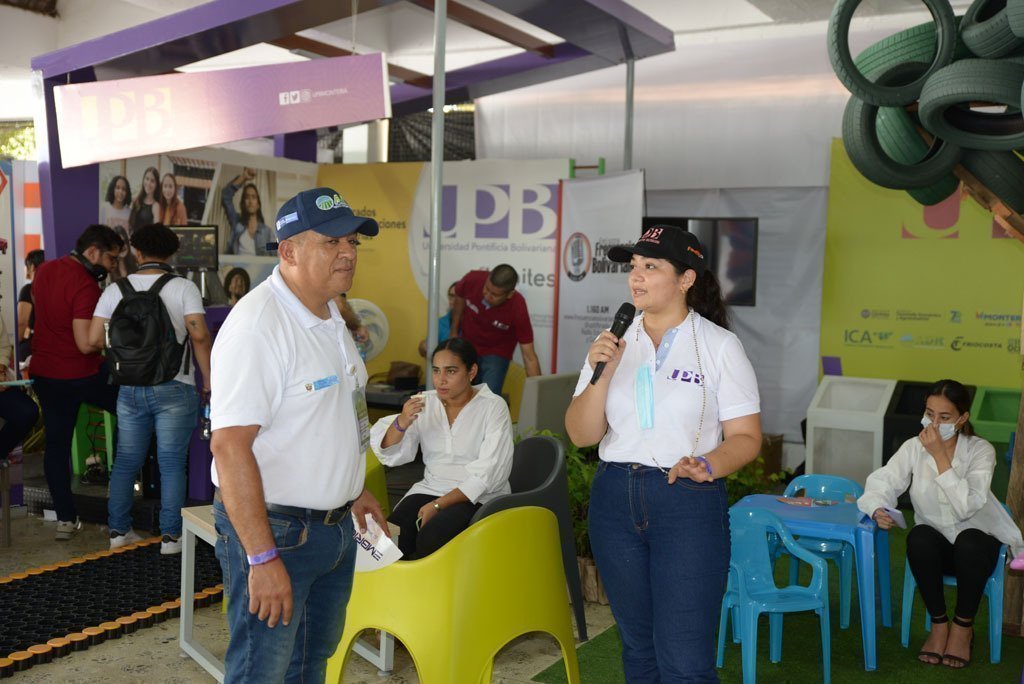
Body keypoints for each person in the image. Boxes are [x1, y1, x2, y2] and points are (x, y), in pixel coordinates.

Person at [565, 224, 762, 682]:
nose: (636, 277)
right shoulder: (613, 342)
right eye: (633, 267)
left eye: (651, 267)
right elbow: (580, 434)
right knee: (639, 649)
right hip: (614, 498)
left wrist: (707, 464)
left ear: (686, 279)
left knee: (686, 660)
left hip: (686, 499)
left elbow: (748, 437)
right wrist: (603, 374)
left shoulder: (719, 346)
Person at [209, 187, 387, 682]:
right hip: (278, 533)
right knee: (260, 672)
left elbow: (328, 415)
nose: (348, 253)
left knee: (310, 665)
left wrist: (351, 491)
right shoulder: (258, 327)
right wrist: (261, 557)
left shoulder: (330, 314)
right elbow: (229, 446)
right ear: (288, 251)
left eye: (352, 241)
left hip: (332, 531)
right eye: (331, 243)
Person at [858, 379, 1023, 669]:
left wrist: (939, 456)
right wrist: (877, 507)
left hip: (977, 549)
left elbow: (966, 507)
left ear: (962, 418)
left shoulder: (980, 451)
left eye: (944, 417)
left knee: (969, 540)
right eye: (929, 413)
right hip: (937, 551)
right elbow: (882, 481)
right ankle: (938, 625)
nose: (933, 423)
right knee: (919, 537)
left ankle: (962, 627)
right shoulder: (913, 447)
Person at [88, 223, 213, 555]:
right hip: (175, 386)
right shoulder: (183, 288)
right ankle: (171, 539)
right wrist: (210, 379)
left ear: (137, 252)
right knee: (172, 462)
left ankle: (118, 532)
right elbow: (198, 335)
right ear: (171, 252)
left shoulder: (115, 290)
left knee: (126, 461)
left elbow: (92, 339)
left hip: (128, 388)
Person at [371, 338, 513, 559]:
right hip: (431, 487)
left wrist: (438, 505)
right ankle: (405, 590)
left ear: (471, 371)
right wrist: (402, 421)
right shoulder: (424, 403)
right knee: (390, 538)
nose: (441, 380)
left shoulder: (493, 407)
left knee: (432, 536)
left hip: (479, 496)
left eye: (451, 371)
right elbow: (389, 453)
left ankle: (433, 590)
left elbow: (489, 474)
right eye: (436, 371)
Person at [30, 225, 124, 540]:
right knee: (132, 413)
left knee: (56, 446)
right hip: (80, 374)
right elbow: (85, 344)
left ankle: (66, 520)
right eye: (111, 259)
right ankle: (123, 499)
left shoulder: (44, 270)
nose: (112, 266)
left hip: (45, 373)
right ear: (94, 252)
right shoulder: (85, 285)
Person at [450, 264, 541, 395]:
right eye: (486, 289)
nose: (487, 296)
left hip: (496, 353)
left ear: (509, 294)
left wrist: (537, 394)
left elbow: (529, 356)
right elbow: (459, 295)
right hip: (467, 345)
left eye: (494, 294)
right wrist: (454, 331)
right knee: (458, 392)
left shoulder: (518, 306)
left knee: (489, 396)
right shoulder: (472, 279)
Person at [222, 168, 273, 256]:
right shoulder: (237, 224)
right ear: (243, 202)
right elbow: (226, 195)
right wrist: (244, 177)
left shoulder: (267, 232)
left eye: (253, 197)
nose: (250, 201)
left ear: (258, 204)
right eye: (247, 197)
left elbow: (274, 257)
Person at [17, 249, 44, 367]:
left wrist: (15, 344)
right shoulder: (55, 287)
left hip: (34, 347)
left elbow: (22, 322)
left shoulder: (29, 289)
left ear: (32, 266)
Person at [418, 282, 457, 357]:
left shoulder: (475, 323)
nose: (454, 300)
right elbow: (426, 348)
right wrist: (423, 347)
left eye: (458, 297)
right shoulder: (440, 323)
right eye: (451, 296)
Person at [128, 167, 159, 232]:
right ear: (143, 179)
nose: (148, 183)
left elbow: (157, 231)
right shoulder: (136, 200)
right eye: (147, 179)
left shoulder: (156, 206)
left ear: (156, 185)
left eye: (152, 181)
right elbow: (129, 224)